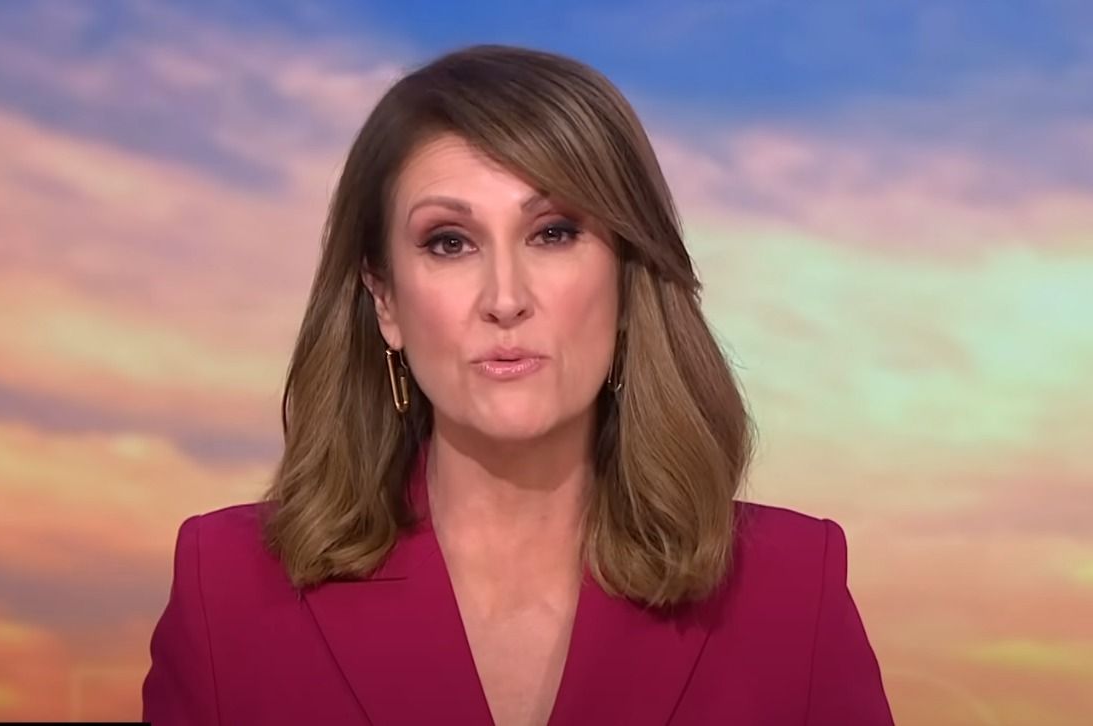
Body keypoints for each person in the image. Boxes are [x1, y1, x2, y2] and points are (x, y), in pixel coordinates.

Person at [141, 44, 893, 726]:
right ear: (385, 299)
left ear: (628, 281)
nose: (505, 298)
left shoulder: (793, 592)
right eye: (449, 242)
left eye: (553, 233)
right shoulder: (226, 590)